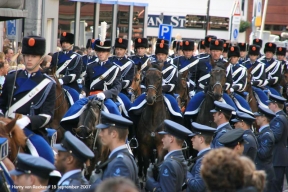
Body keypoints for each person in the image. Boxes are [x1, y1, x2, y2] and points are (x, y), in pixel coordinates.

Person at [0, 36, 56, 164]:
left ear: (41, 59)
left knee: (46, 155)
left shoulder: (47, 84)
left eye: (34, 56)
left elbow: (47, 115)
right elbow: (2, 105)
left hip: (30, 130)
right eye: (27, 55)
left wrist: (28, 120)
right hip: (5, 126)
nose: (29, 59)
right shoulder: (11, 77)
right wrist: (3, 120)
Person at [60, 38, 122, 132]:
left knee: (115, 111)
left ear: (108, 53)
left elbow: (117, 88)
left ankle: (124, 141)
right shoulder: (91, 66)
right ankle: (68, 132)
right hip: (91, 97)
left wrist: (105, 94)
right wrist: (83, 92)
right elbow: (87, 84)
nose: (101, 53)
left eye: (104, 51)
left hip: (105, 98)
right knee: (75, 107)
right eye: (99, 51)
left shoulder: (115, 68)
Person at [129, 41, 182, 122]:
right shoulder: (150, 67)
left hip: (166, 94)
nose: (160, 57)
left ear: (166, 56)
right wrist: (146, 90)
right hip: (149, 92)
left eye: (163, 55)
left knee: (176, 112)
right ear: (156, 55)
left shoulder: (173, 68)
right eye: (158, 54)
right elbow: (143, 83)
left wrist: (159, 89)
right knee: (133, 109)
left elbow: (172, 86)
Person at [184, 39, 237, 119]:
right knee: (189, 110)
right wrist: (192, 91)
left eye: (217, 51)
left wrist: (221, 88)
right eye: (213, 50)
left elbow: (229, 81)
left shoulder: (226, 64)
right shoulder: (201, 61)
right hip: (203, 91)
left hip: (220, 93)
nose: (215, 53)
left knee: (234, 111)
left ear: (222, 51)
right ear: (210, 50)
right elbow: (193, 78)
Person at [89, 112, 139, 189]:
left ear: (113, 134)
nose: (100, 134)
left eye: (103, 130)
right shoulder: (122, 157)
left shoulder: (120, 162)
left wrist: (97, 182)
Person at [145, 120, 191, 192]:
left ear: (171, 139)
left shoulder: (168, 164)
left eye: (164, 136)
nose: (162, 139)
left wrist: (150, 182)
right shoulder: (180, 158)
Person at [51, 32, 82, 106]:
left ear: (71, 43)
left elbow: (76, 74)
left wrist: (63, 80)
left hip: (69, 85)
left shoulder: (77, 57)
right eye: (63, 42)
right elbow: (52, 69)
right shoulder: (56, 55)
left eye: (67, 42)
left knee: (75, 99)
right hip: (55, 83)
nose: (64, 44)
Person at [266, 94, 288, 192]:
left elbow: (276, 136)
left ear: (275, 105)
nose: (268, 107)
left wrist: (265, 132)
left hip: (277, 157)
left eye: (270, 104)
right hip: (277, 158)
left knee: (275, 187)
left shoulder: (279, 118)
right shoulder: (279, 117)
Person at [185, 122, 215, 192]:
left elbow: (197, 187)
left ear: (201, 139)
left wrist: (185, 172)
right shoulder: (211, 154)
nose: (191, 139)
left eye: (194, 137)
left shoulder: (203, 160)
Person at [110, 38, 135, 117]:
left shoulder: (130, 63)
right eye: (117, 49)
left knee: (128, 108)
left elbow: (128, 81)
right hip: (106, 89)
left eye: (121, 49)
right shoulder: (110, 60)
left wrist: (115, 86)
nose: (118, 51)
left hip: (121, 91)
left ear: (125, 51)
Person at [254, 105, 275, 192]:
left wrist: (254, 145)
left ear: (264, 118)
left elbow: (263, 154)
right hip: (262, 172)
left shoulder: (267, 135)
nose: (256, 118)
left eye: (258, 116)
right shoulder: (263, 132)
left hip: (265, 173)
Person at [228, 45, 253, 116]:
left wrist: (232, 88)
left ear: (238, 58)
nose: (232, 59)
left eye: (234, 57)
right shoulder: (224, 67)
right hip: (224, 91)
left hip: (236, 92)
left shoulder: (242, 69)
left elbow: (242, 84)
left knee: (244, 108)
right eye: (231, 57)